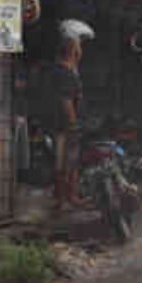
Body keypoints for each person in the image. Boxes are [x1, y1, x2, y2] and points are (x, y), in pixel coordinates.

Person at [49, 19, 93, 210]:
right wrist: (73, 123)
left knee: (71, 162)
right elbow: (66, 101)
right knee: (65, 163)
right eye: (78, 45)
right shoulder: (65, 72)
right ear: (72, 48)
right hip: (65, 125)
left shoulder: (68, 69)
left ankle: (70, 197)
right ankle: (63, 200)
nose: (81, 49)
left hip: (66, 124)